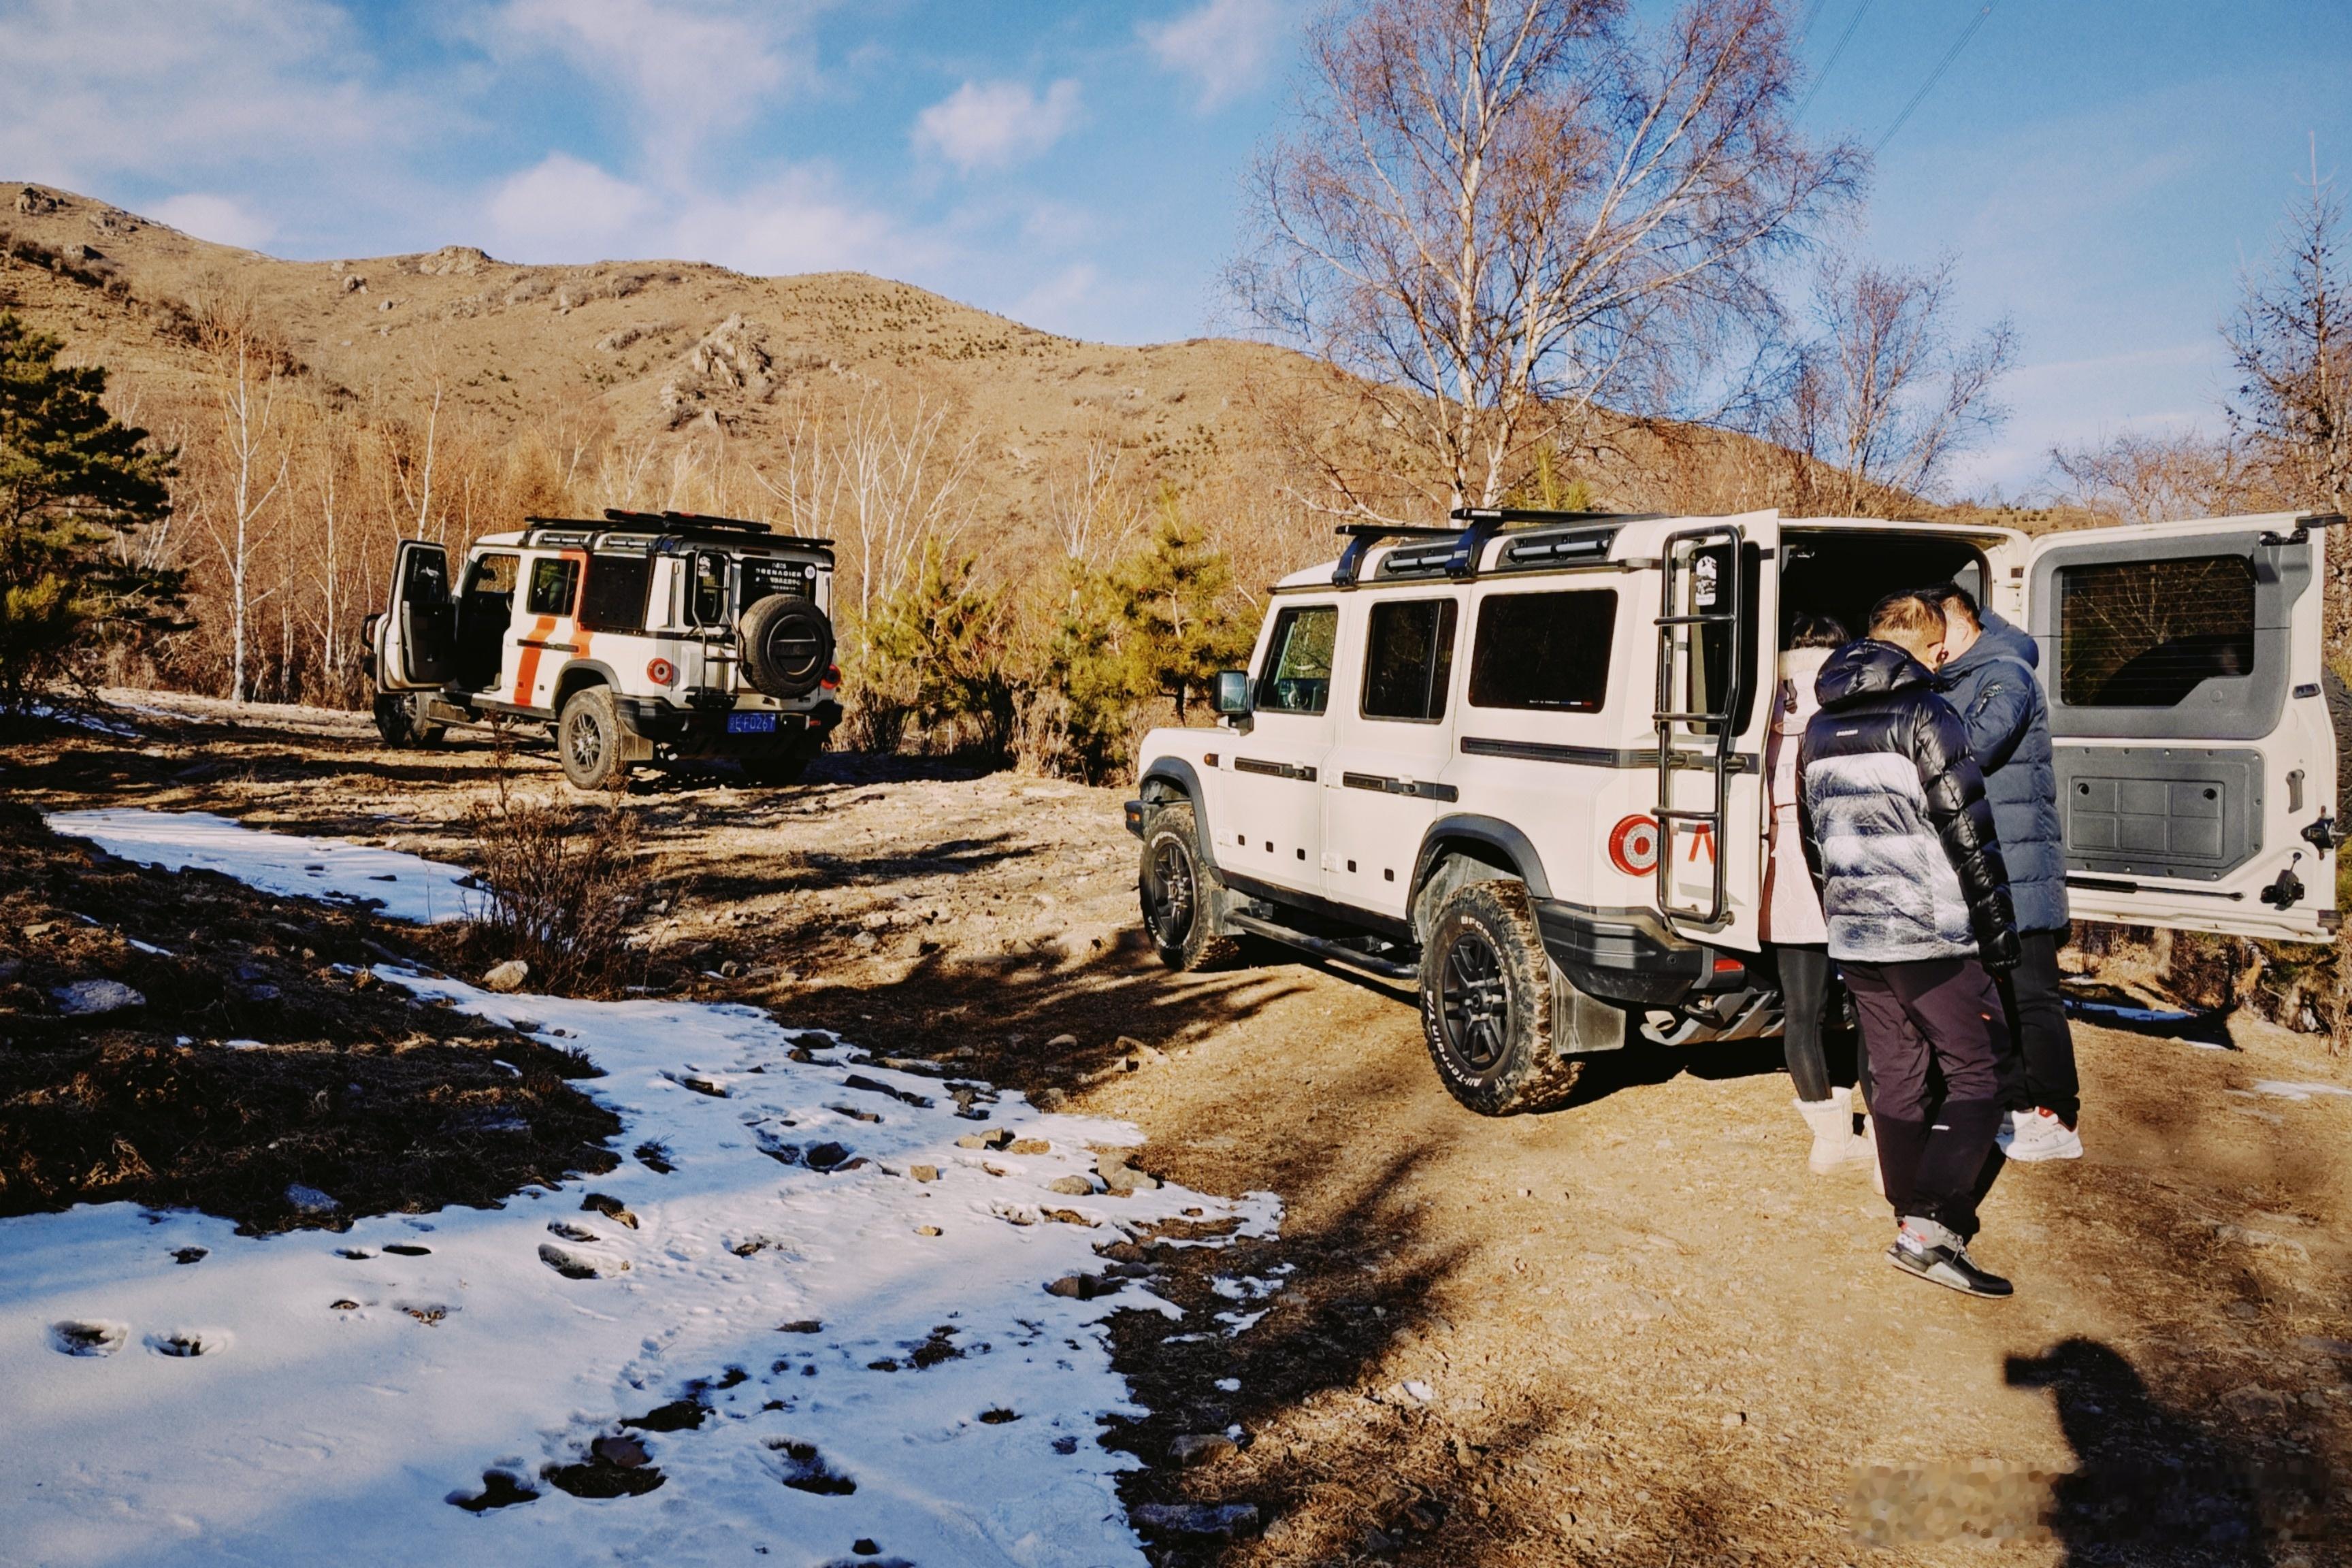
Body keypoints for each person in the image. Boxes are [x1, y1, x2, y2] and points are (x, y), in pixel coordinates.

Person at [1799, 591, 2023, 1298]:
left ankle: (1910, 1221)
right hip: (1928, 932)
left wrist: (1840, 913)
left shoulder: (1818, 725)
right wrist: (1998, 934)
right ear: (1932, 649)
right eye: (1939, 654)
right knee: (1982, 1068)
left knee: (1896, 1073)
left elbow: (1815, 842)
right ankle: (1927, 1232)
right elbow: (1968, 829)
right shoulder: (1927, 714)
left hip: (1856, 931)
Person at [1923, 583, 2082, 1162]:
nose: (1932, 649)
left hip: (2021, 864)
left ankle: (2058, 1114)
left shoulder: (2006, 675)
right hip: (1988, 862)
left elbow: (1979, 747)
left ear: (1959, 626)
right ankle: (2016, 1106)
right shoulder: (1957, 680)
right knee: (1996, 993)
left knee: (2034, 993)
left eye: (1935, 636)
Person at [1764, 613, 1871, 1175]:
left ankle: (1829, 1141)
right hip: (1846, 872)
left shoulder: (1764, 708)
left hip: (1783, 875)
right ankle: (1882, 1133)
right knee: (1874, 1010)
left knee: (1802, 1013)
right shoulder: (1846, 710)